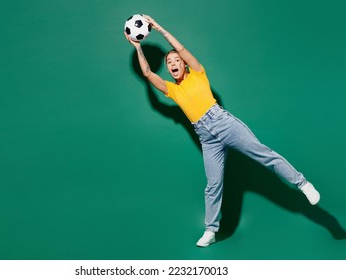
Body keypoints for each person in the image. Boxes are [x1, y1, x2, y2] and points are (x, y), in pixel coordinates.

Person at [124, 15, 320, 247]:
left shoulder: (197, 73)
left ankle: (302, 184)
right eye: (169, 63)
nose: (173, 63)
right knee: (213, 184)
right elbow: (148, 74)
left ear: (184, 63)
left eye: (176, 60)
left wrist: (159, 29)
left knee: (263, 154)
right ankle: (211, 230)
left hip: (223, 123)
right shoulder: (172, 90)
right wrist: (137, 47)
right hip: (206, 137)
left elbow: (182, 48)